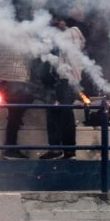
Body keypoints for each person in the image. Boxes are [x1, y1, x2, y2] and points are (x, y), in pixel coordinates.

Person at [41, 17, 85, 160]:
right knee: (53, 114)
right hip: (55, 79)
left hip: (67, 80)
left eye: (57, 20)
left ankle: (69, 151)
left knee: (65, 114)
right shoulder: (56, 36)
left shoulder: (73, 32)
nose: (55, 23)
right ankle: (56, 149)